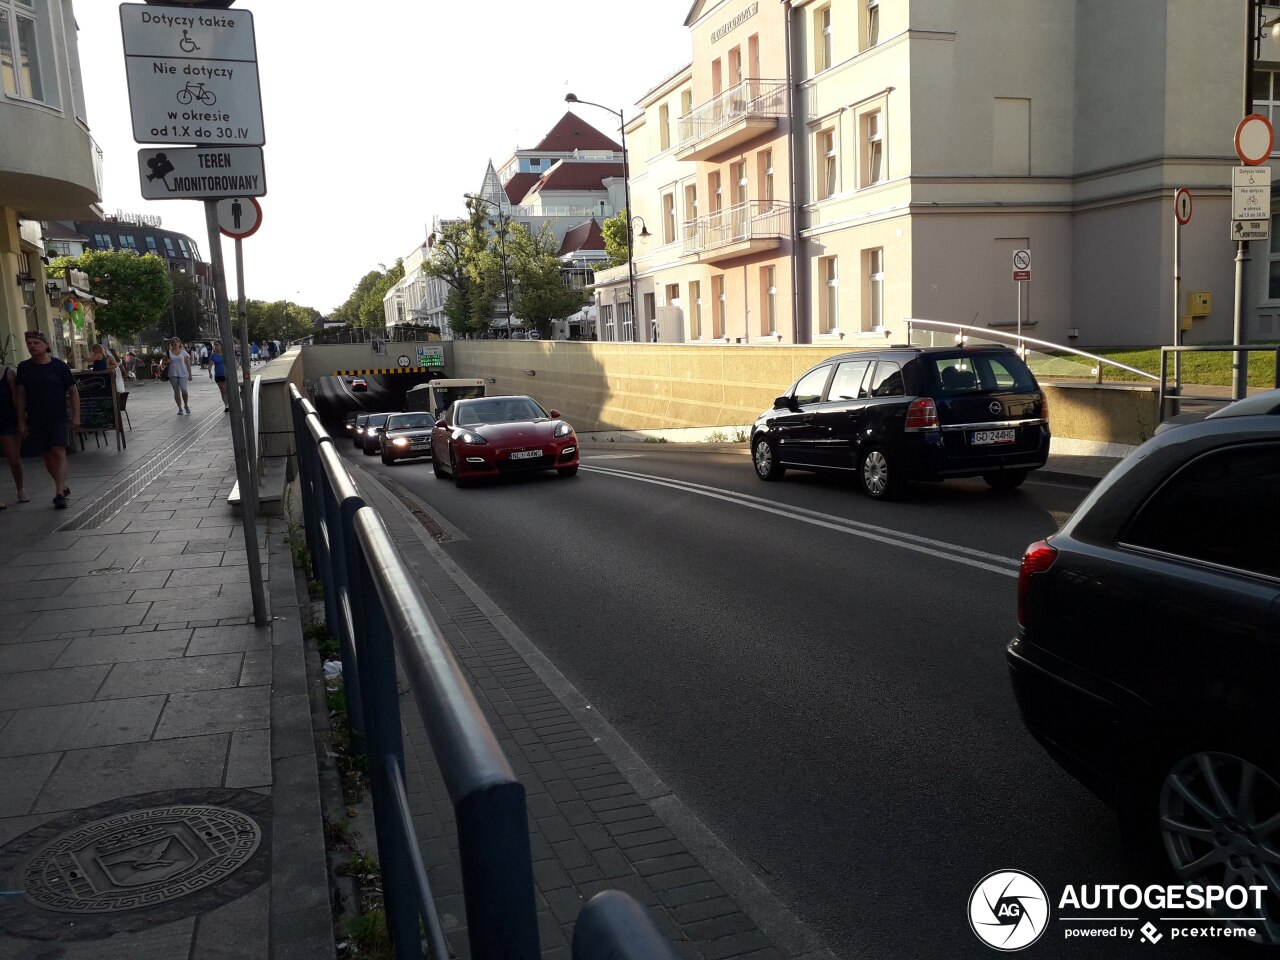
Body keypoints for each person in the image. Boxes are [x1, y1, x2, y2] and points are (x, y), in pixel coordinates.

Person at [14, 330, 79, 509]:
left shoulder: (59, 366)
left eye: (36, 342)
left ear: (45, 345)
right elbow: (20, 395)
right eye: (29, 343)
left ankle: (59, 492)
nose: (32, 346)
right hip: (36, 418)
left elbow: (73, 391)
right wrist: (21, 420)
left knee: (58, 451)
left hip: (57, 416)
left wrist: (76, 415)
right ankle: (62, 485)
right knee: (47, 455)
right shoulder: (24, 368)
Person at [0, 363, 26, 506]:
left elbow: (17, 398)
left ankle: (20, 489)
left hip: (7, 421)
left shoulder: (8, 373)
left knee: (14, 459)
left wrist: (21, 420)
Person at [159, 336, 194, 415]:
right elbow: (162, 363)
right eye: (173, 342)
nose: (175, 343)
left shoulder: (184, 353)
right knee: (176, 392)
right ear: (171, 344)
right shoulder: (168, 352)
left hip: (183, 374)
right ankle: (180, 408)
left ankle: (186, 405)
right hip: (172, 374)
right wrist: (167, 362)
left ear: (179, 343)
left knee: (184, 390)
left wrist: (190, 375)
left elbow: (188, 364)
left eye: (177, 341)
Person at [209, 340, 230, 412]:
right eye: (215, 345)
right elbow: (210, 364)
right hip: (218, 374)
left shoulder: (225, 354)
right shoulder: (213, 355)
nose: (216, 346)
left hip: (225, 374)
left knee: (226, 390)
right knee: (222, 391)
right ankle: (226, 405)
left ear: (221, 346)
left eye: (217, 345)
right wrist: (210, 373)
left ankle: (229, 403)